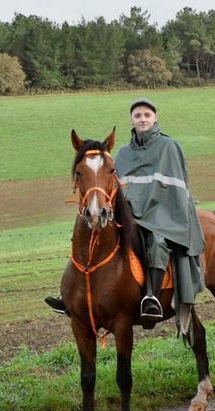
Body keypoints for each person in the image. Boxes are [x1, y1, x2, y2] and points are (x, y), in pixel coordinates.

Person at [46, 98, 205, 328]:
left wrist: (141, 207)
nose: (142, 119)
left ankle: (151, 296)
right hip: (130, 212)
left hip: (162, 213)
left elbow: (175, 188)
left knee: (157, 241)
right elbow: (115, 186)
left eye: (147, 115)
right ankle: (72, 296)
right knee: (90, 234)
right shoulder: (123, 152)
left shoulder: (169, 147)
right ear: (132, 119)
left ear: (155, 117)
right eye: (138, 115)